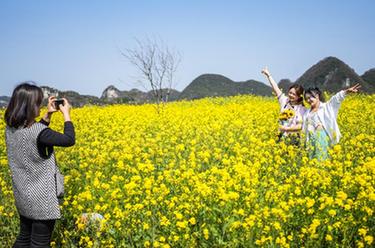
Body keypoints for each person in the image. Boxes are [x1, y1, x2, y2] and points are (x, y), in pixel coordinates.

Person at [4, 82, 75, 247]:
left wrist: (48, 115)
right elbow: (69, 140)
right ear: (29, 106)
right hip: (42, 200)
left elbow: (32, 137)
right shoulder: (39, 132)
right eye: (37, 103)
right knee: (39, 243)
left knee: (23, 238)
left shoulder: (11, 129)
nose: (39, 106)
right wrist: (66, 115)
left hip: (23, 196)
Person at [303, 84, 361, 160]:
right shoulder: (307, 112)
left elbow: (336, 99)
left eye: (310, 97)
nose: (308, 100)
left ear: (317, 96)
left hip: (322, 137)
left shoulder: (326, 107)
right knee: (312, 159)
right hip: (310, 138)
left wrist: (346, 92)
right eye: (306, 99)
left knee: (321, 159)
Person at [261, 67, 306, 145]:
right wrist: (268, 75)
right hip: (280, 135)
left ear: (299, 96)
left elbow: (300, 126)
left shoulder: (302, 109)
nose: (291, 95)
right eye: (290, 92)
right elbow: (275, 88)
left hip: (293, 138)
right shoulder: (284, 101)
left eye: (294, 94)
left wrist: (287, 129)